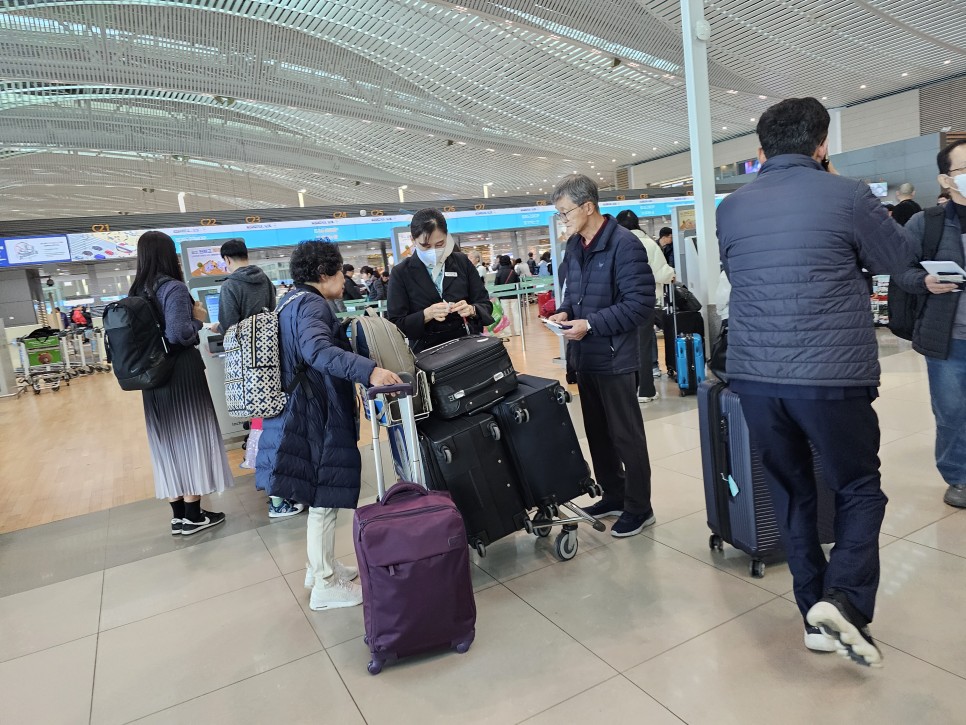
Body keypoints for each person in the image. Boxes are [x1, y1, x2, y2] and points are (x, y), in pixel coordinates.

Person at [716, 96, 914, 667]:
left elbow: (738, 271)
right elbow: (897, 261)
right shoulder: (848, 194)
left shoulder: (732, 207)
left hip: (754, 376)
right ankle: (846, 601)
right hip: (830, 376)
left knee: (792, 490)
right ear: (821, 145)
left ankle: (814, 616)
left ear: (761, 150)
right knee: (858, 486)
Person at [256, 240, 402, 611]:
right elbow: (317, 351)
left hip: (300, 409)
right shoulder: (311, 304)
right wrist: (369, 370)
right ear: (324, 274)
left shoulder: (289, 301)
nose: (344, 278)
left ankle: (318, 567)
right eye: (340, 271)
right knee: (323, 496)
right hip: (314, 412)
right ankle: (324, 584)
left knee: (319, 492)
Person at [548, 175, 657, 538]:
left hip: (614, 356)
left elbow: (640, 306)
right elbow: (573, 294)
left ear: (588, 206)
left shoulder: (625, 246)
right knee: (597, 434)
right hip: (586, 356)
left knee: (626, 436)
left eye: (565, 212)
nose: (563, 219)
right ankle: (615, 494)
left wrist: (590, 324)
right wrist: (564, 313)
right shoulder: (575, 247)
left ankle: (640, 507)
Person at [129, 231, 233, 535]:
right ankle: (194, 515)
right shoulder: (172, 288)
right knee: (191, 437)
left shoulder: (137, 290)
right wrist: (198, 318)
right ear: (167, 254)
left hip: (151, 378)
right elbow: (178, 334)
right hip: (180, 374)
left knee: (168, 442)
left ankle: (178, 516)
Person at [894, 138, 966, 509]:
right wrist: (924, 282)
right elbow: (900, 271)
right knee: (952, 411)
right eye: (963, 169)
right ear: (945, 179)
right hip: (948, 338)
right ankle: (959, 477)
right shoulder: (927, 223)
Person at [213, 239, 302, 518]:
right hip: (270, 361)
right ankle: (282, 492)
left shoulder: (229, 286)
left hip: (247, 369)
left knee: (261, 425)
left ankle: (276, 498)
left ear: (227, 259)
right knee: (275, 422)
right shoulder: (264, 280)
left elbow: (229, 327)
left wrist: (220, 326)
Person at [387, 208, 493, 353]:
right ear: (413, 240)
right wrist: (426, 314)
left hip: (467, 347)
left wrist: (472, 309)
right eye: (425, 246)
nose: (433, 251)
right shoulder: (401, 273)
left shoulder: (461, 262)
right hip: (428, 353)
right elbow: (396, 324)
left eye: (439, 244)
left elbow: (485, 304)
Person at [616, 209, 675, 399]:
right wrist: (671, 275)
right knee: (643, 345)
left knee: (624, 346)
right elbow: (661, 273)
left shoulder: (614, 242)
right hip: (643, 302)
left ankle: (626, 389)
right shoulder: (649, 243)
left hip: (618, 305)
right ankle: (645, 390)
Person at [214, 239, 277, 334]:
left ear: (227, 259)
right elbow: (272, 308)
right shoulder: (264, 278)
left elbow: (229, 324)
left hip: (244, 344)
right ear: (246, 256)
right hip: (268, 341)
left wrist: (218, 328)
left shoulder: (229, 285)